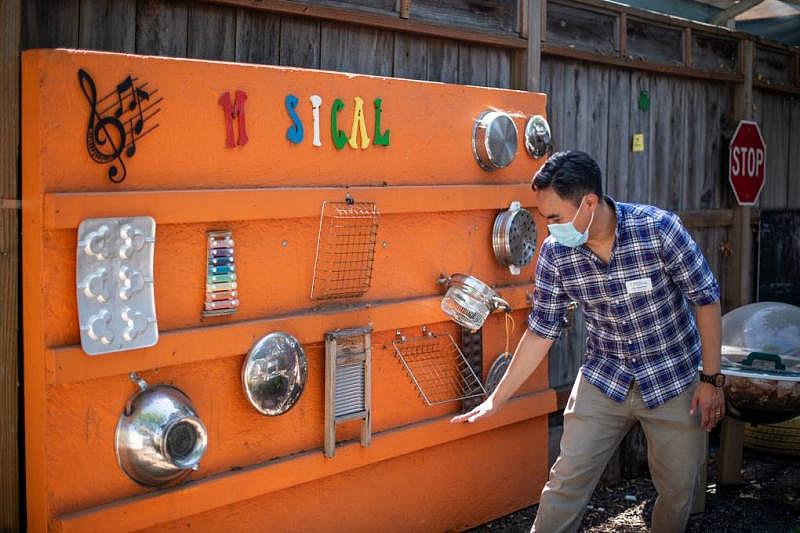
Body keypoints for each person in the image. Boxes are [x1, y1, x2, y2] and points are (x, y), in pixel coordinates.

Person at [451, 150, 726, 533]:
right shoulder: (555, 255)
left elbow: (706, 298)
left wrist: (711, 380)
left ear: (589, 204)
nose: (549, 230)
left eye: (555, 218)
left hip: (673, 379)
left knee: (679, 490)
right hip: (604, 377)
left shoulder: (659, 230)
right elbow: (541, 329)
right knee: (565, 482)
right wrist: (496, 400)